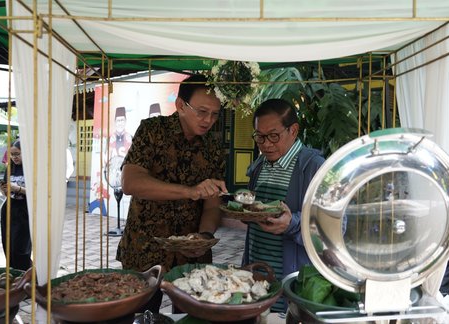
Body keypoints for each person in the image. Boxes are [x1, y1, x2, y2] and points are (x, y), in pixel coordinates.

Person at [116, 74, 228, 312]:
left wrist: (205, 236)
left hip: (191, 258)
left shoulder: (213, 149)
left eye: (215, 114)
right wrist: (189, 191)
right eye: (202, 111)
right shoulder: (152, 131)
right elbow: (130, 182)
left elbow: (212, 204)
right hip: (145, 250)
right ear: (180, 105)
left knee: (190, 318)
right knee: (139, 316)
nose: (209, 120)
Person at [242, 98, 325, 312]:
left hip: (291, 279)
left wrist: (292, 223)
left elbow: (334, 228)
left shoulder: (314, 167)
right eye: (260, 137)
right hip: (257, 276)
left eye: (273, 136)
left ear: (294, 130)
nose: (266, 144)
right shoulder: (260, 165)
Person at [0, 140, 31, 271]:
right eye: (11, 155)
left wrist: (17, 188)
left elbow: (36, 192)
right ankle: (13, 273)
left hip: (25, 210)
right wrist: (5, 189)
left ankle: (24, 274)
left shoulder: (31, 168)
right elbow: (7, 193)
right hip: (9, 209)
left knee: (21, 247)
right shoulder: (10, 167)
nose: (14, 157)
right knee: (8, 245)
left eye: (17, 154)